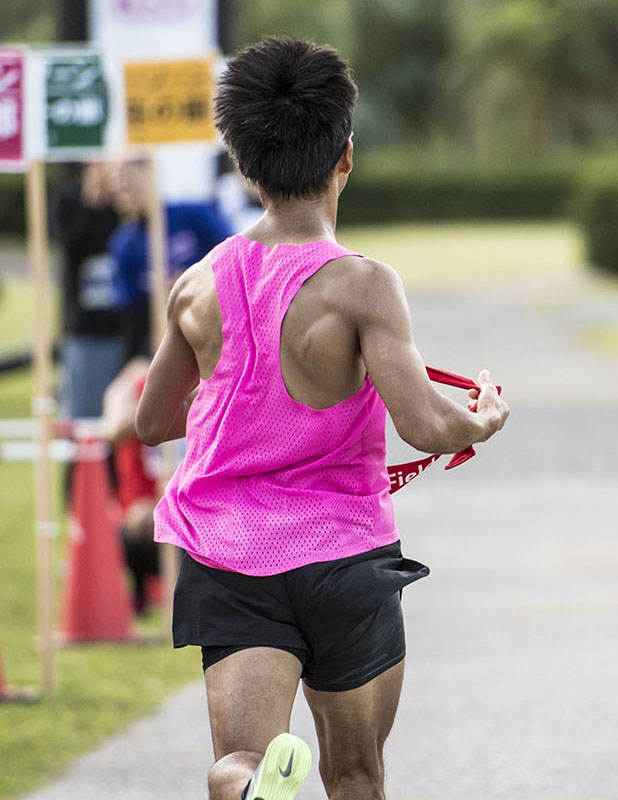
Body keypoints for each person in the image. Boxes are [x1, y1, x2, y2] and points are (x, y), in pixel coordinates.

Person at [135, 37, 509, 800]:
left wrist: (236, 393)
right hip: (344, 557)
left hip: (229, 557)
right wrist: (482, 420)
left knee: (240, 757)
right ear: (346, 154)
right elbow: (425, 426)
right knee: (357, 774)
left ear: (243, 165)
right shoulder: (364, 287)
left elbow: (151, 421)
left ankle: (245, 789)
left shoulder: (197, 285)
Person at [109, 158, 234, 361]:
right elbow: (130, 315)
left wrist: (192, 281)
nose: (126, 188)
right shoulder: (125, 244)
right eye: (121, 184)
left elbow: (234, 258)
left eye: (130, 179)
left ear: (150, 175)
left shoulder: (194, 214)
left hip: (219, 331)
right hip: (163, 343)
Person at [52, 160, 124, 419]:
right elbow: (69, 247)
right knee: (82, 414)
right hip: (83, 327)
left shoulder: (119, 206)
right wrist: (89, 204)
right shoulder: (69, 201)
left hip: (117, 326)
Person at [101, 357, 161, 615]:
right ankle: (140, 595)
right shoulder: (130, 388)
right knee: (141, 520)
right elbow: (115, 428)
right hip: (141, 502)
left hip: (184, 494)